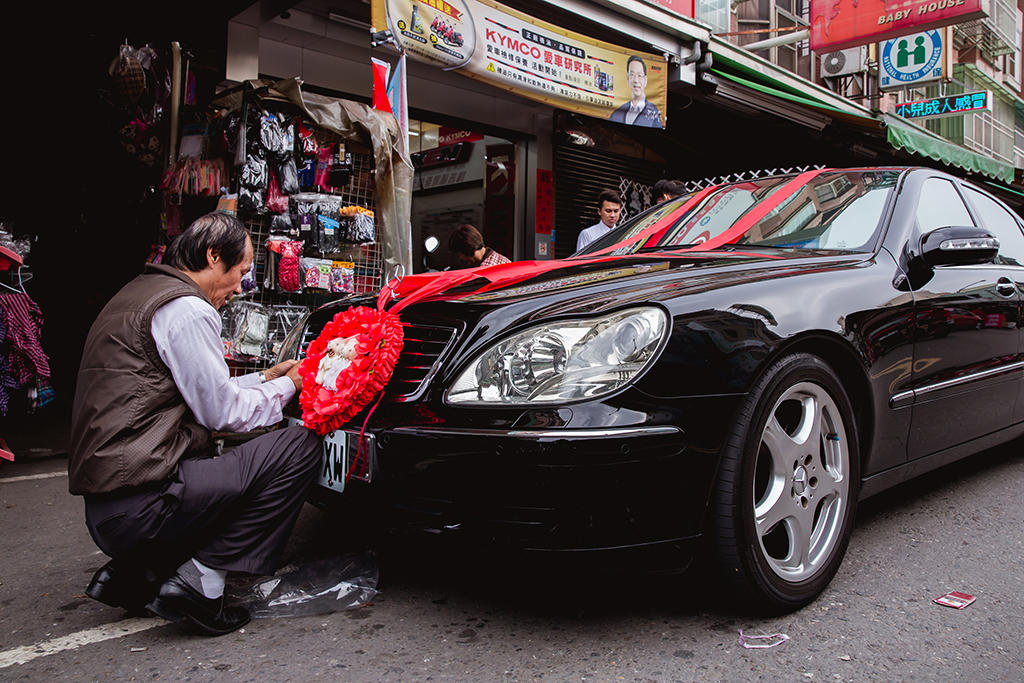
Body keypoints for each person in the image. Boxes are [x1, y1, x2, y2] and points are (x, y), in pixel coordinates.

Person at [68, 212, 322, 637]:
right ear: (212, 256)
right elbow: (222, 414)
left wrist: (265, 378)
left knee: (224, 457)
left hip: (109, 509)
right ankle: (202, 582)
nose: (241, 287)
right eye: (240, 272)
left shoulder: (139, 293)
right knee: (298, 448)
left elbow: (185, 389)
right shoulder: (187, 309)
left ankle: (140, 572)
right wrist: (292, 387)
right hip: (143, 507)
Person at [608, 56, 662, 128]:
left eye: (639, 75)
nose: (636, 80)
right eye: (632, 75)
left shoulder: (653, 112)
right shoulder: (617, 113)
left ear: (645, 80)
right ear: (628, 78)